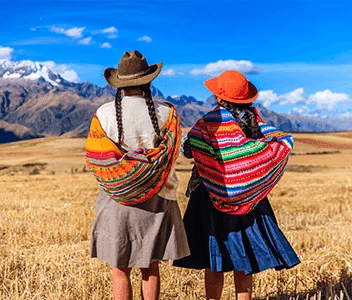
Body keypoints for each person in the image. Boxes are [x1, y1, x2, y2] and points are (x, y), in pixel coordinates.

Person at [173, 70, 300, 300]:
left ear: (219, 98)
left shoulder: (208, 122)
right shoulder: (256, 122)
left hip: (208, 196)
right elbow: (276, 144)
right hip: (249, 199)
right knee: (244, 258)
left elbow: (187, 148)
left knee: (215, 259)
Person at [86, 50, 189, 300]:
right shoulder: (168, 113)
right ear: (149, 81)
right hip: (159, 196)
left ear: (119, 83)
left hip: (116, 198)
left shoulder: (103, 114)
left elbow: (95, 157)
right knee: (151, 266)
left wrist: (124, 175)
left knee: (119, 269)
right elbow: (173, 152)